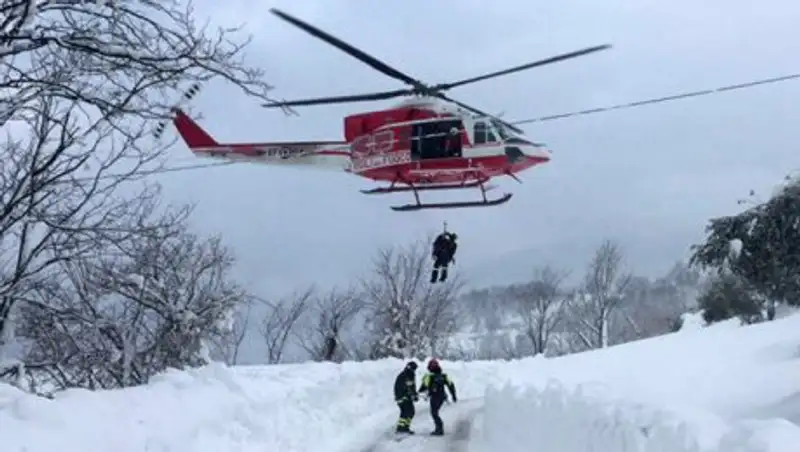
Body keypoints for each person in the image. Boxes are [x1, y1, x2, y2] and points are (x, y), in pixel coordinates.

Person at [418, 358, 457, 436]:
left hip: (434, 397)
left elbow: (424, 386)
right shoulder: (443, 376)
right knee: (435, 413)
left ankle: (439, 429)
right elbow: (451, 385)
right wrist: (453, 395)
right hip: (442, 397)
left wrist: (418, 392)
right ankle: (439, 428)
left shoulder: (429, 376)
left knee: (434, 413)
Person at [394, 361, 419, 434]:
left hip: (407, 397)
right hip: (402, 397)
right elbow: (405, 387)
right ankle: (401, 428)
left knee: (411, 412)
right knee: (405, 412)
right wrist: (409, 394)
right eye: (414, 368)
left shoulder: (410, 375)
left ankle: (405, 427)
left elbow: (412, 386)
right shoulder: (404, 375)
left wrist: (414, 395)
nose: (415, 370)